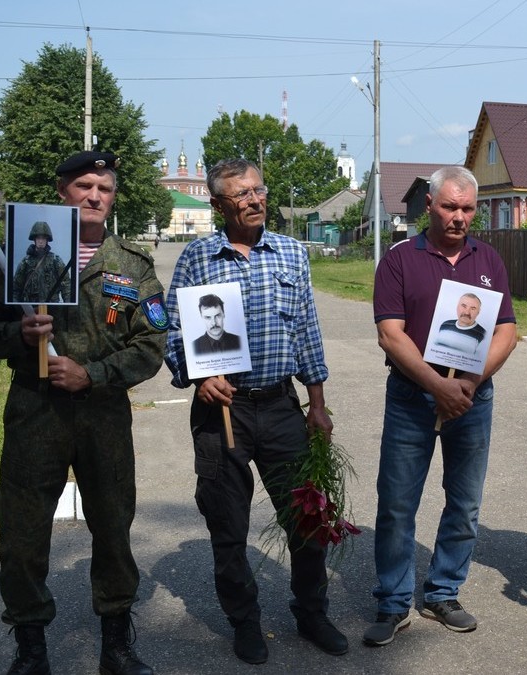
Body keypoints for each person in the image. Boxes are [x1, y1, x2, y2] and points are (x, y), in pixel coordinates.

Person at [0, 150, 164, 675]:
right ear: (62, 193)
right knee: (23, 536)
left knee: (114, 529)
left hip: (103, 416)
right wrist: (17, 335)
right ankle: (31, 649)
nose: (95, 195)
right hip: (36, 412)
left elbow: (151, 344)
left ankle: (116, 645)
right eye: (84, 186)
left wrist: (91, 374)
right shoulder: (18, 262)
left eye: (105, 188)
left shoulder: (132, 268)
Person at [164, 158, 348, 663]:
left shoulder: (290, 253)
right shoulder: (198, 257)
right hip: (224, 411)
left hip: (281, 405)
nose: (253, 199)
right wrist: (199, 376)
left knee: (307, 520)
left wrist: (318, 405)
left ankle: (311, 614)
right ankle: (245, 622)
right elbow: (173, 330)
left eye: (258, 190)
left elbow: (307, 330)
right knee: (229, 525)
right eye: (240, 194)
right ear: (218, 204)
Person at [365, 166, 517, 646]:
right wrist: (437, 384)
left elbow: (507, 332)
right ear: (428, 204)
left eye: (468, 208)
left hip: (472, 398)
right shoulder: (399, 260)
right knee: (396, 504)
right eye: (450, 206)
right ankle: (392, 602)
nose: (459, 217)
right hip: (413, 398)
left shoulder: (488, 258)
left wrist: (469, 382)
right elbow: (391, 334)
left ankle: (443, 592)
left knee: (465, 503)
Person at [12, 221, 71, 304]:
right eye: (38, 238)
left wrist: (68, 305)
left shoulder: (55, 260)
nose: (41, 241)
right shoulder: (26, 262)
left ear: (47, 240)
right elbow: (16, 287)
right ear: (34, 240)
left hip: (52, 306)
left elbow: (66, 284)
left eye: (43, 238)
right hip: (31, 306)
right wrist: (16, 307)